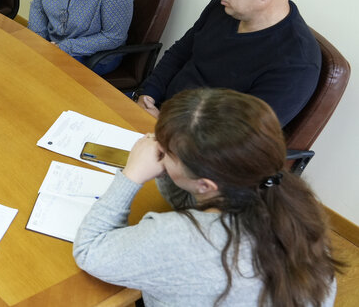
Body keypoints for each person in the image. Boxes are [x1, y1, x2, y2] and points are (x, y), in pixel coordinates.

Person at [73, 88, 339, 306]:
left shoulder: (181, 238)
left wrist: (130, 175)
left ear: (206, 184)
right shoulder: (293, 202)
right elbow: (196, 200)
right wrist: (172, 159)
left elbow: (89, 251)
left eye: (166, 152)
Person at [136, 0, 320, 126]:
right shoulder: (224, 7)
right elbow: (180, 52)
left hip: (193, 146)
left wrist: (167, 126)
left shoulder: (297, 62)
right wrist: (148, 94)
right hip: (156, 114)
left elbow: (241, 136)